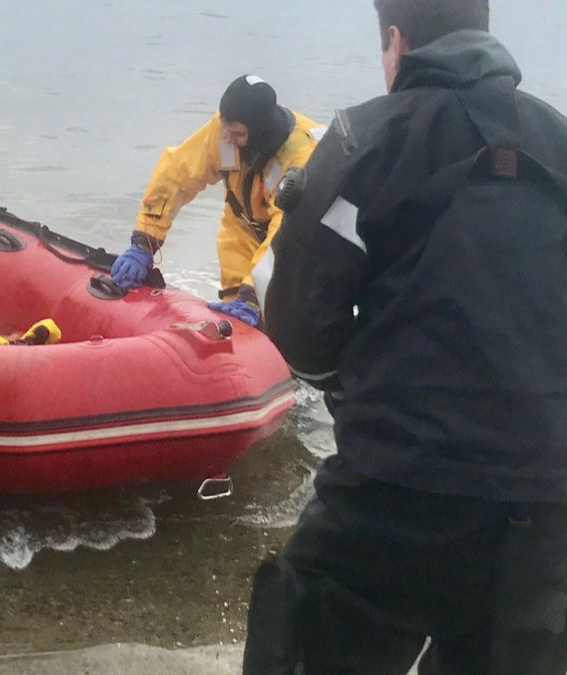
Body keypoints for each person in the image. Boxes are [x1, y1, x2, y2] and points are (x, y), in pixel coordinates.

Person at [242, 1, 567, 673]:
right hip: (545, 501)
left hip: (399, 486)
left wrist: (352, 386)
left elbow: (296, 314)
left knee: (298, 635)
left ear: (396, 43)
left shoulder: (369, 137)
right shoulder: (558, 141)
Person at [110, 76, 324, 327]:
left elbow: (287, 232)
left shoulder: (302, 157)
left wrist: (254, 296)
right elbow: (177, 175)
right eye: (225, 128)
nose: (228, 138)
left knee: (283, 319)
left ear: (260, 132)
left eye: (238, 134)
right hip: (240, 233)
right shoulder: (224, 130)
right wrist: (144, 242)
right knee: (237, 322)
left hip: (295, 244)